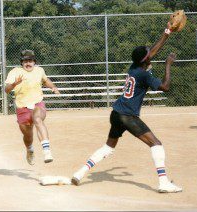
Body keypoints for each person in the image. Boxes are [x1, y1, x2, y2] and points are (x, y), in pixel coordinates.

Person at [71, 25, 183, 193]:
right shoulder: (144, 75)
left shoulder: (134, 67)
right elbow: (165, 87)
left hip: (116, 113)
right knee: (156, 144)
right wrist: (168, 64)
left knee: (108, 147)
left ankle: (80, 173)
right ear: (146, 60)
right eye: (148, 54)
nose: (150, 53)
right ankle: (164, 182)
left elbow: (151, 52)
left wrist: (167, 33)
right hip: (128, 116)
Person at [5, 50, 60, 165]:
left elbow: (46, 81)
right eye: (25, 61)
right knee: (28, 136)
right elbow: (7, 89)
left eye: (30, 61)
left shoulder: (39, 70)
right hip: (22, 108)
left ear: (34, 62)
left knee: (37, 118)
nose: (28, 63)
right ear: (22, 62)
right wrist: (14, 84)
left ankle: (47, 151)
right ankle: (30, 150)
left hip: (37, 103)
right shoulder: (15, 72)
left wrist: (53, 87)